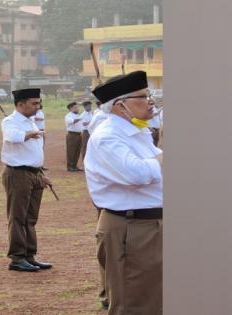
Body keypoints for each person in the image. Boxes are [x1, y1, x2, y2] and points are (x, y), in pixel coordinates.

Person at [84, 71, 163, 315]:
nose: (151, 101)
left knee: (154, 296)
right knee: (135, 302)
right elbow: (137, 174)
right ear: (121, 106)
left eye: (150, 95)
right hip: (132, 226)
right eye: (144, 96)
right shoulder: (107, 137)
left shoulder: (138, 132)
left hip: (150, 224)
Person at [1, 88, 53, 272]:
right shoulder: (10, 121)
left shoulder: (30, 122)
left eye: (38, 103)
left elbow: (34, 152)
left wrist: (41, 175)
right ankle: (17, 257)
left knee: (30, 218)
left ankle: (30, 255)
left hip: (34, 173)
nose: (38, 106)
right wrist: (33, 134)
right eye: (34, 103)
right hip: (18, 173)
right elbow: (13, 137)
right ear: (20, 104)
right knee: (17, 217)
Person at [65, 101, 83, 172]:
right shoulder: (68, 115)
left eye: (77, 107)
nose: (77, 109)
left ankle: (75, 165)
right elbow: (71, 121)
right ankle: (70, 166)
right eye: (75, 108)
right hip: (72, 135)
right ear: (70, 109)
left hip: (79, 134)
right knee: (71, 151)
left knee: (77, 151)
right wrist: (80, 118)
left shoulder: (78, 115)